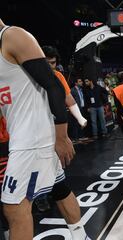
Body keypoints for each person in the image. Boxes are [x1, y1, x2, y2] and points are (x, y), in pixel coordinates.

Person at [0, 20, 90, 239]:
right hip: (29, 137)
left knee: (14, 207)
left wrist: (62, 136)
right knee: (60, 189)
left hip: (33, 139)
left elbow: (54, 86)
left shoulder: (12, 36)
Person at [42, 46, 87, 128]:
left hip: (55, 117)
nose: (50, 66)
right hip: (36, 118)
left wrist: (80, 117)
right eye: (46, 63)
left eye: (53, 63)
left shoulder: (58, 76)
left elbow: (68, 97)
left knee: (63, 140)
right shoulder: (30, 76)